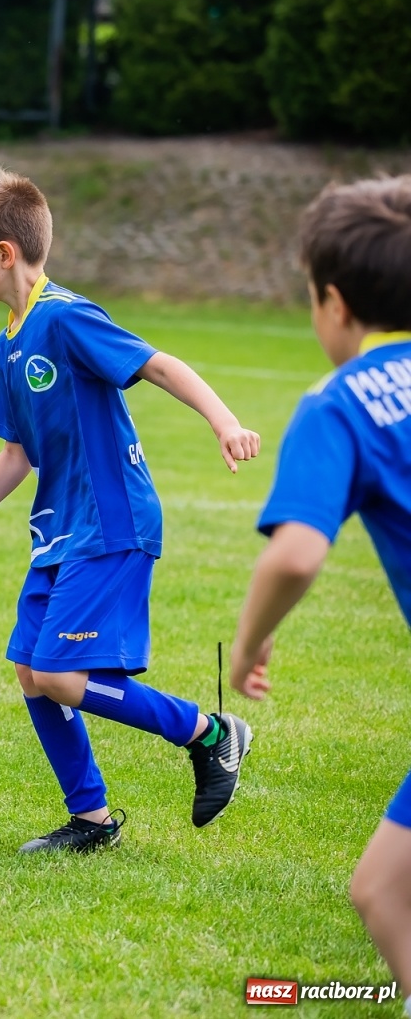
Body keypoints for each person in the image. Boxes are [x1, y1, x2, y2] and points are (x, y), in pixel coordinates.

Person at [0, 170, 260, 853]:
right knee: (31, 670)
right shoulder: (10, 340)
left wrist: (223, 422)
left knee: (60, 675)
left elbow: (159, 365)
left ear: (5, 253)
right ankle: (93, 820)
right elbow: (18, 452)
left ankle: (211, 733)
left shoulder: (67, 316)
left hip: (111, 523)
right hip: (60, 529)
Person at [229, 176, 411, 984]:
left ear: (334, 304)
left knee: (383, 893)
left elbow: (296, 554)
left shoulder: (338, 405)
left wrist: (249, 643)